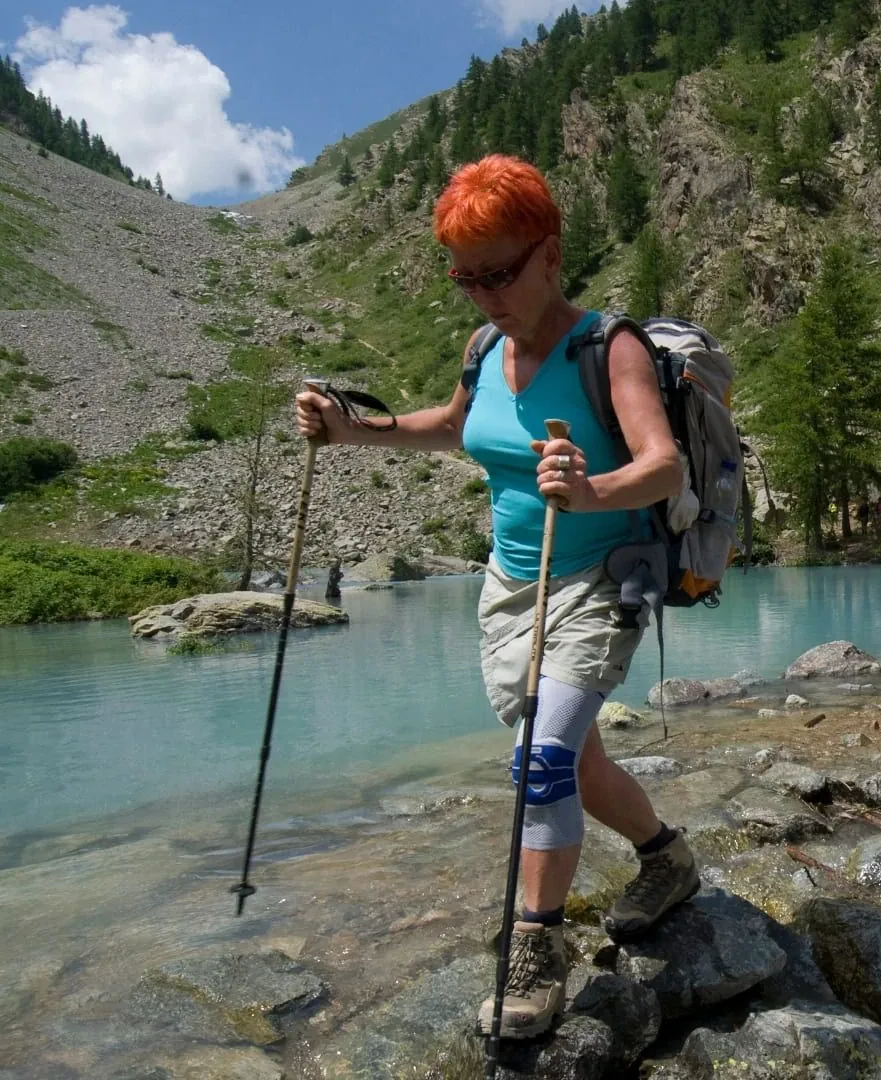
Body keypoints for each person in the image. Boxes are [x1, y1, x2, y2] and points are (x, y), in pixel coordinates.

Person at [295, 155, 695, 1040]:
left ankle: (533, 947)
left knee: (542, 761)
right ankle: (668, 859)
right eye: (465, 278)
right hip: (510, 587)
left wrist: (591, 491)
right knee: (576, 762)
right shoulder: (486, 349)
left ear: (550, 253)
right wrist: (352, 430)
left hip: (598, 579)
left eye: (499, 273)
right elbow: (454, 425)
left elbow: (660, 463)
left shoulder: (608, 347)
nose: (481, 296)